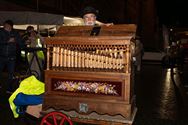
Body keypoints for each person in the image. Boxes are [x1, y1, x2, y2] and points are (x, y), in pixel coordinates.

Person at [0, 20, 23, 92]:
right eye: (5, 26)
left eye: (7, 26)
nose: (5, 27)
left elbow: (20, 42)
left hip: (11, 57)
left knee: (11, 74)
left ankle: (9, 88)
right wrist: (7, 41)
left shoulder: (15, 33)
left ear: (10, 26)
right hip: (1, 56)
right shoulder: (1, 32)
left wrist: (25, 43)